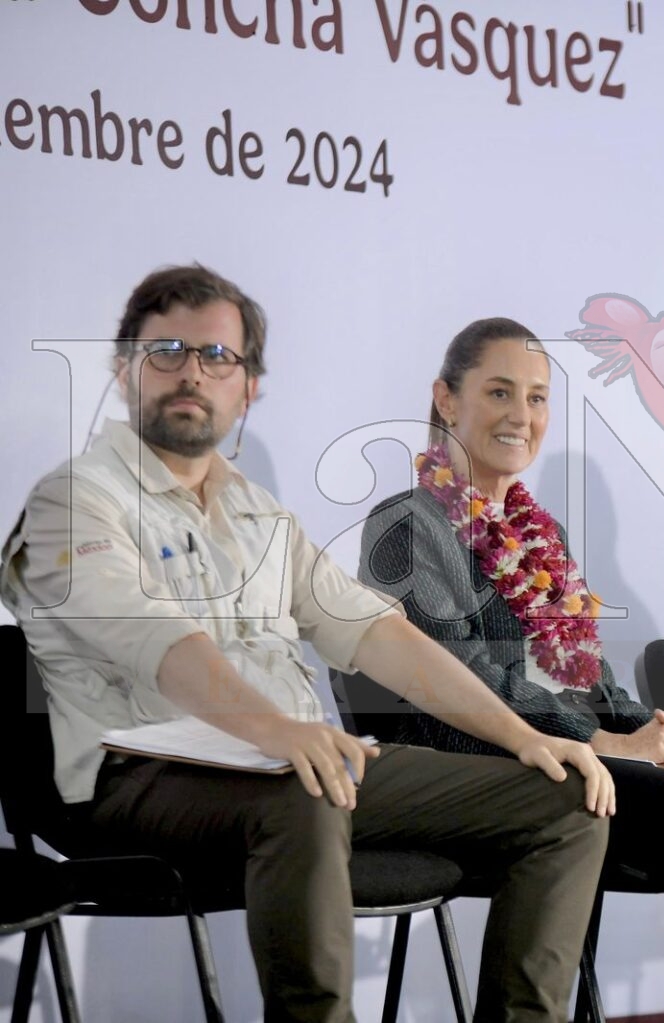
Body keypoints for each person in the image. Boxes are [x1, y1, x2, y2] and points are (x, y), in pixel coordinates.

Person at [0, 265, 615, 1023]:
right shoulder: (75, 498)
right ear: (125, 367)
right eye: (167, 349)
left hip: (293, 766)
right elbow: (157, 640)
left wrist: (523, 737)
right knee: (307, 783)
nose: (193, 371)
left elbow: (379, 633)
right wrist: (281, 731)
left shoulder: (258, 514)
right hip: (139, 773)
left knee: (566, 798)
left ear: (248, 387)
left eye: (217, 356)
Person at [357, 317, 664, 1023]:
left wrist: (646, 727)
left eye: (539, 398)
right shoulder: (409, 525)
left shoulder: (537, 529)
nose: (523, 415)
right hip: (480, 760)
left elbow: (585, 664)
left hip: (582, 752)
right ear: (446, 400)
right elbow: (459, 678)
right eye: (500, 391)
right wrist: (601, 740)